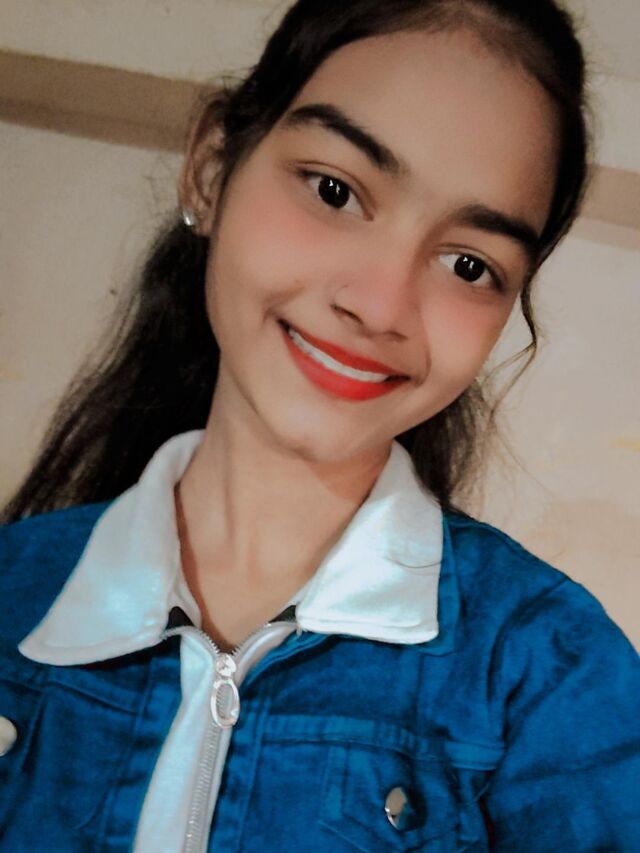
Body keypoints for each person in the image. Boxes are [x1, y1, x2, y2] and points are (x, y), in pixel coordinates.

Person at [1, 0, 638, 850]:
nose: (380, 305)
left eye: (468, 264)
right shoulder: (12, 593)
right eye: (335, 190)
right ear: (211, 167)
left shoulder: (550, 672)